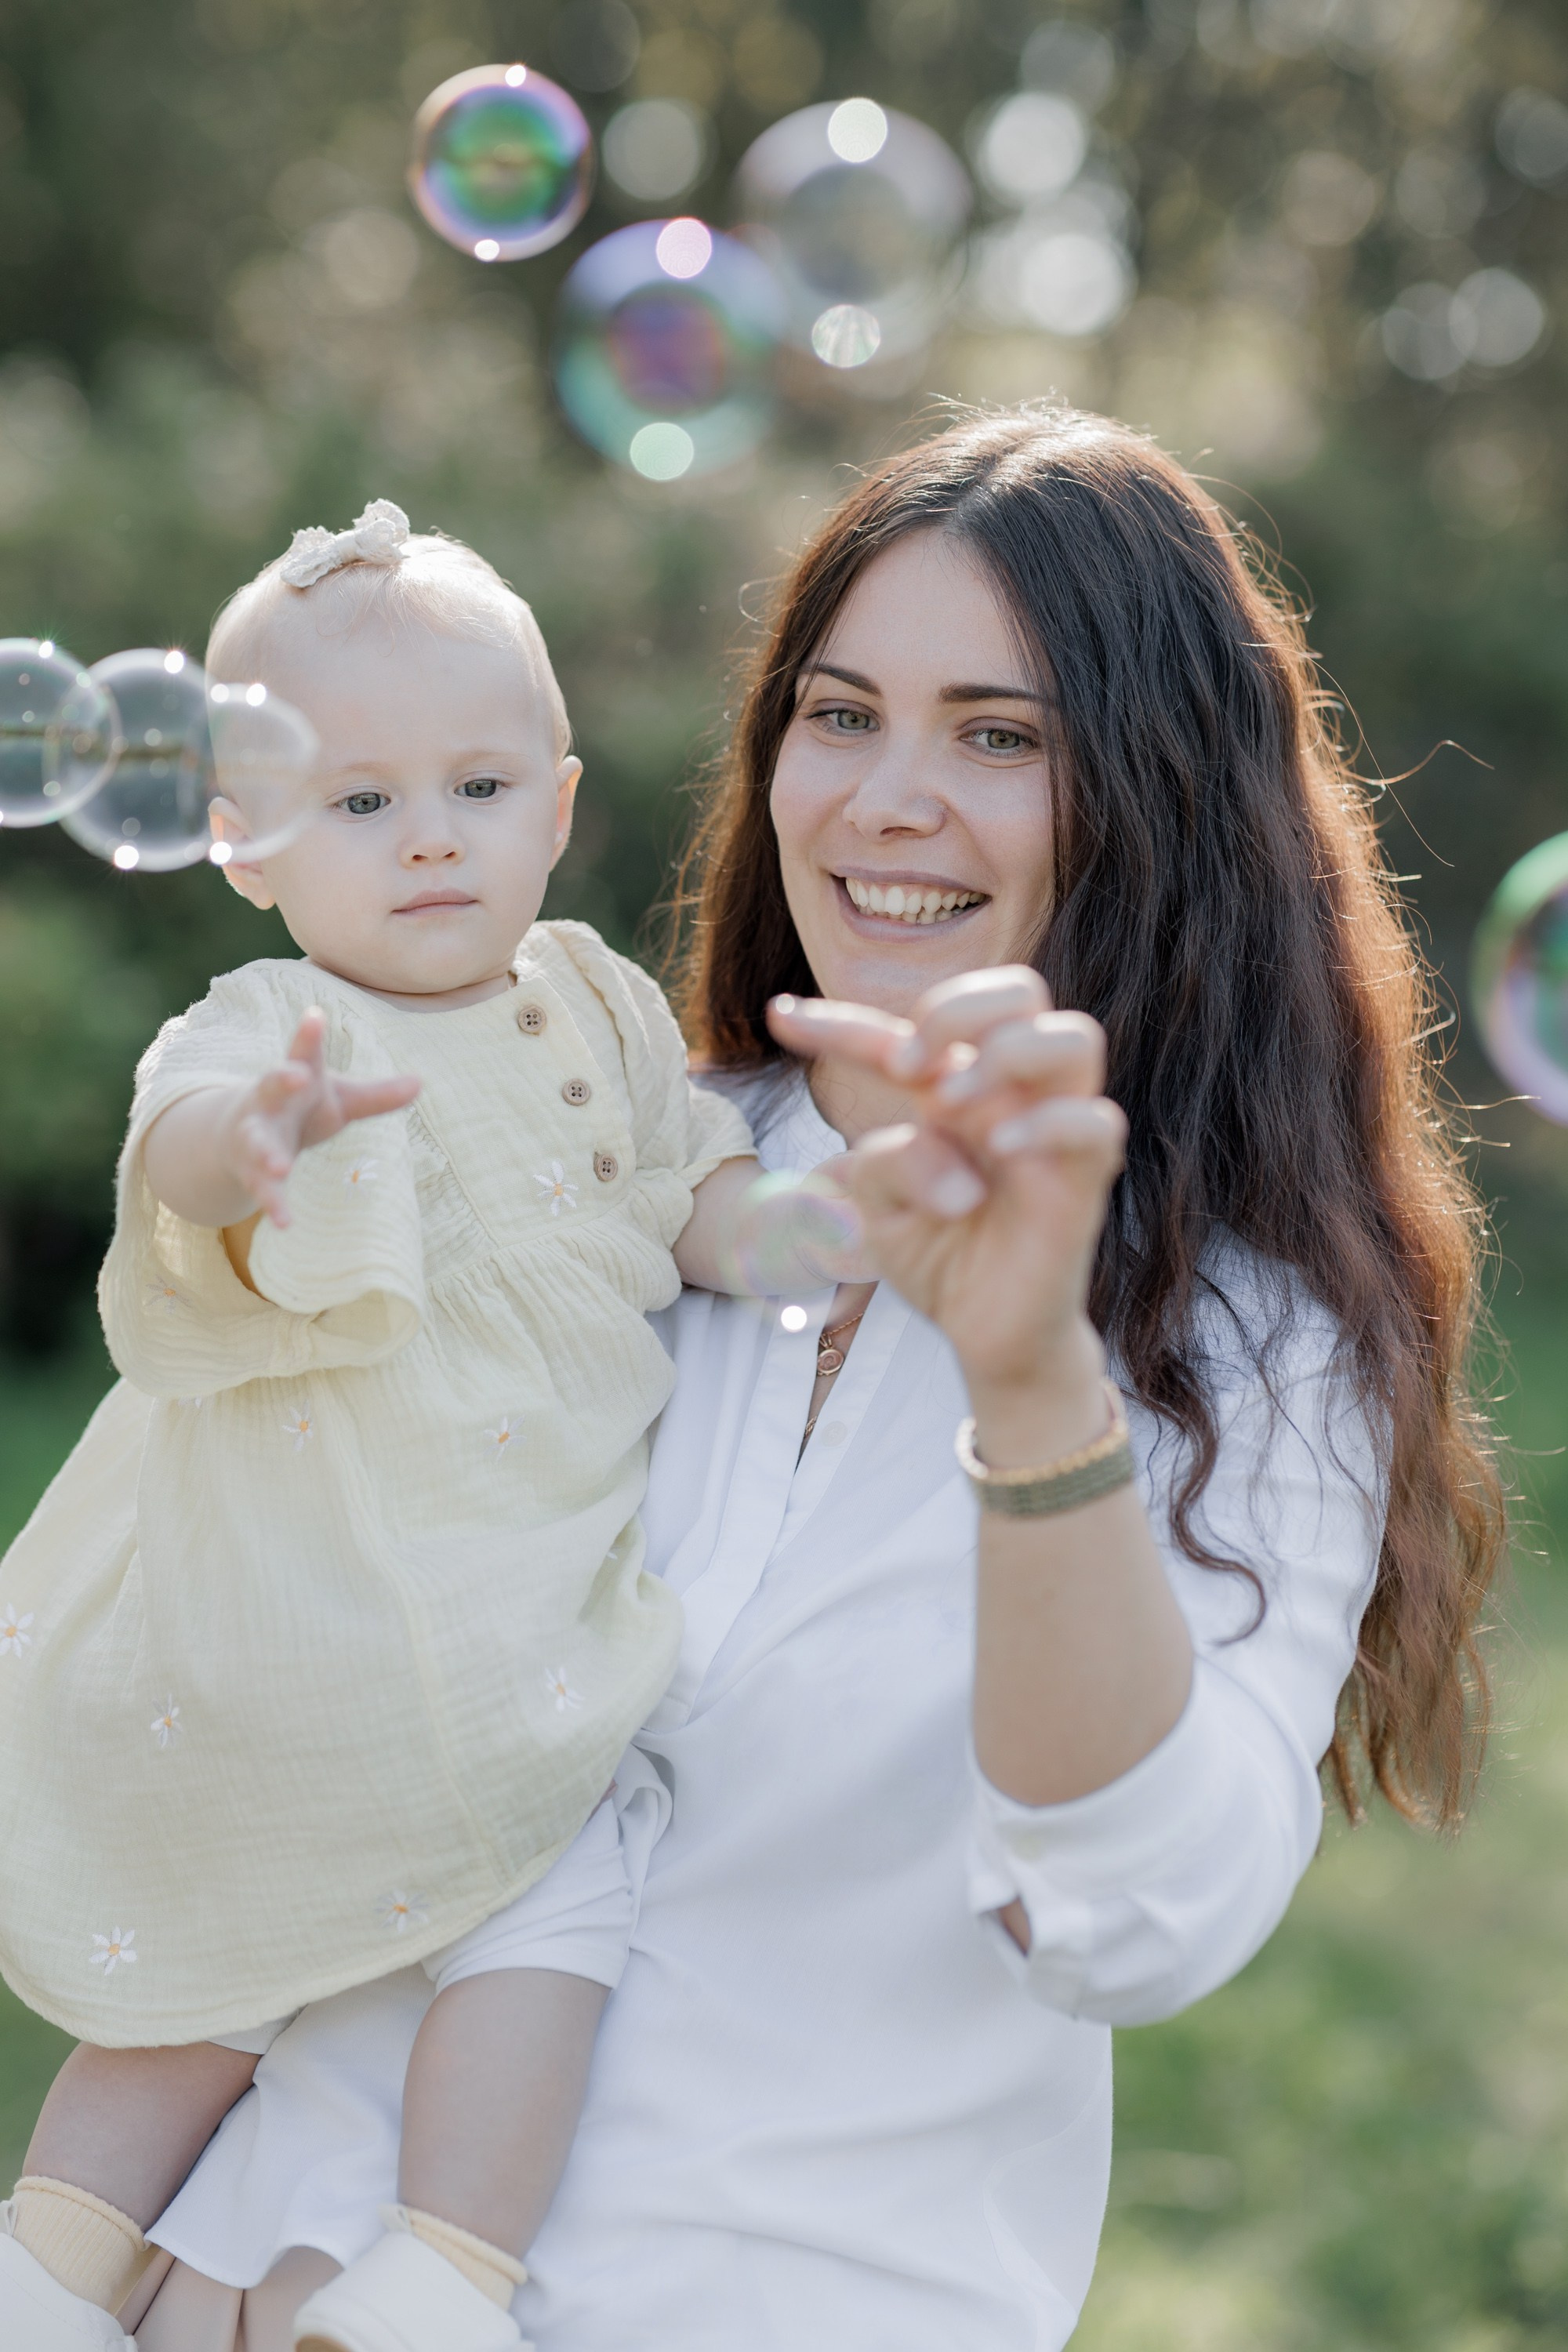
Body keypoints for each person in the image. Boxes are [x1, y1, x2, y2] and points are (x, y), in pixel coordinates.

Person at [123, 406, 1504, 2350]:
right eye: (839, 715)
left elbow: (1136, 1919)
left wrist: (1032, 1384)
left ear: (1160, 793)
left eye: (998, 736)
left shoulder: (1249, 1344)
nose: (882, 800)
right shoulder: (598, 1171)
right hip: (268, 2271)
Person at [0, 503, 860, 2352]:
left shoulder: (601, 1011)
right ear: (240, 841)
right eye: (362, 803)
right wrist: (253, 1152)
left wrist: (810, 1236)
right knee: (251, 1971)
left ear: (554, 808)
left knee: (477, 1931)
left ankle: (413, 2269)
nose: (430, 841)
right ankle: (83, 2265)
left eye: (474, 789)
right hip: (306, 1610)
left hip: (495, 1600)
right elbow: (181, 1174)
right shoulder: (267, 1019)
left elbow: (696, 1200)